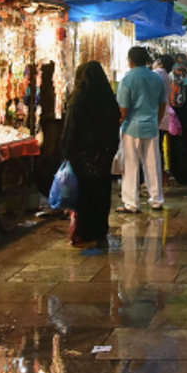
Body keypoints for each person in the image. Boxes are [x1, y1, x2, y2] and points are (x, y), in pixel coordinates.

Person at [61, 61, 121, 247]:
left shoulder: (78, 97)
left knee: (84, 193)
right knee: (101, 192)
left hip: (81, 153)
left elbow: (71, 128)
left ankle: (85, 232)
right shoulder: (107, 97)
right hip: (102, 153)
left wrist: (66, 151)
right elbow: (114, 126)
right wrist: (111, 150)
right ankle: (99, 230)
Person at [117, 46, 167, 212]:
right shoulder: (157, 78)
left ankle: (131, 203)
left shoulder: (128, 79)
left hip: (132, 127)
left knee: (131, 166)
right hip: (151, 126)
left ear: (130, 61)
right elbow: (162, 104)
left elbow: (123, 109)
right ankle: (156, 199)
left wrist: (118, 123)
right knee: (153, 164)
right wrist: (157, 121)